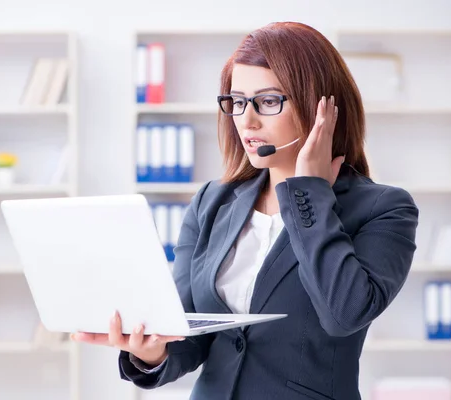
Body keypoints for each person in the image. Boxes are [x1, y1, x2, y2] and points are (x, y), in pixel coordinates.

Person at [71, 21, 419, 400]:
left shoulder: (383, 209)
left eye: (268, 101)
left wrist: (308, 192)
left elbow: (343, 316)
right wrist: (150, 351)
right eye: (237, 101)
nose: (247, 120)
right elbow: (188, 332)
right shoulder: (212, 202)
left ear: (323, 108)